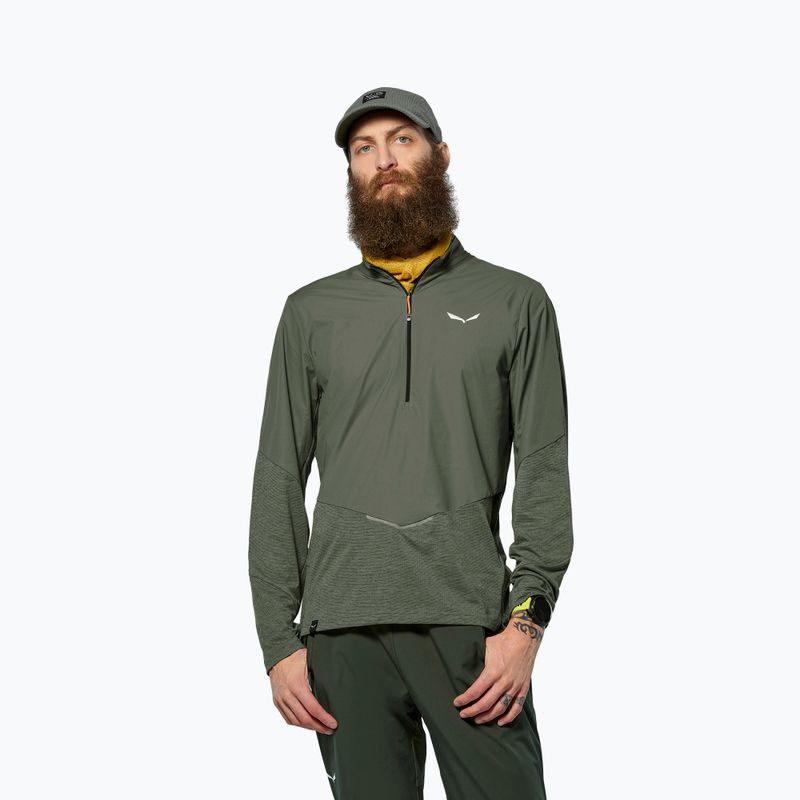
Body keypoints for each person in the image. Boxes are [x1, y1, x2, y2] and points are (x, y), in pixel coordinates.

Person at [248, 86, 574, 799]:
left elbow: (544, 470)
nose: (383, 159)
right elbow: (277, 479)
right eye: (363, 148)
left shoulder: (515, 301)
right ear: (351, 172)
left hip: (471, 629)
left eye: (402, 139)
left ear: (440, 155)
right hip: (342, 633)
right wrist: (278, 642)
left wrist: (526, 627)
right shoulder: (310, 312)